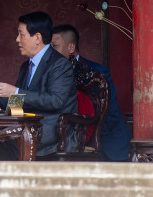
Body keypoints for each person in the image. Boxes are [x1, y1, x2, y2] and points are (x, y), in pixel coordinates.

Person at [0, 11, 77, 160]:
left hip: (49, 132)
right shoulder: (26, 66)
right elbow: (18, 104)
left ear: (37, 38)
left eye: (21, 35)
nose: (17, 39)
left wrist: (14, 91)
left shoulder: (59, 64)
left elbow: (55, 101)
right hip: (22, 127)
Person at [50, 24, 132, 161]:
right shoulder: (52, 73)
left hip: (108, 141)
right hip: (70, 142)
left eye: (55, 46)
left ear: (71, 47)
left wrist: (90, 138)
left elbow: (108, 111)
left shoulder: (96, 71)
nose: (51, 52)